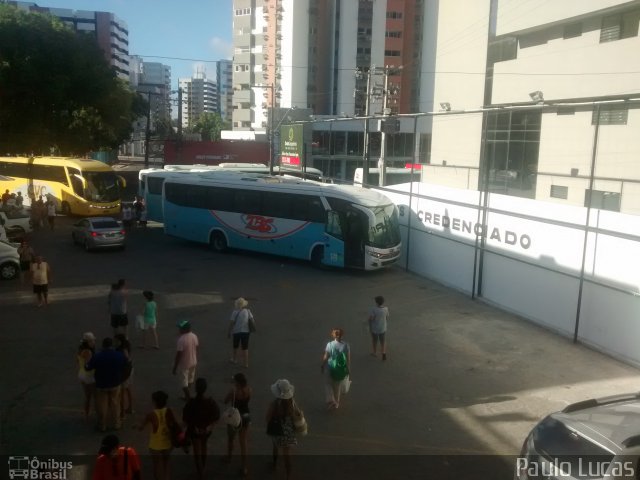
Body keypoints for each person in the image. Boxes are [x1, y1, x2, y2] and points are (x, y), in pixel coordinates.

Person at [86, 337, 127, 432]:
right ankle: (117, 423)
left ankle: (102, 425)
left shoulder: (97, 356)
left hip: (101, 384)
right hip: (115, 383)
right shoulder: (119, 355)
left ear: (103, 345)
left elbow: (88, 367)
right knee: (115, 404)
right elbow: (125, 364)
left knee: (102, 406)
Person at [183, 378, 220, 480]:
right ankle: (203, 468)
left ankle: (200, 473)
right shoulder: (211, 402)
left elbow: (185, 419)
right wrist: (209, 427)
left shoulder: (191, 403)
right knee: (204, 447)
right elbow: (216, 417)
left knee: (197, 451)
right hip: (206, 430)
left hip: (195, 430)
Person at [266, 379, 302, 480]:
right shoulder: (292, 402)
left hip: (277, 430)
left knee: (275, 447)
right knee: (287, 454)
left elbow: (267, 418)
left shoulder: (274, 404)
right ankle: (288, 475)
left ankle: (274, 464)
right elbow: (298, 413)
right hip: (289, 431)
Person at [139, 390, 177, 480]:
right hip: (167, 443)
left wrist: (136, 425)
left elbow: (141, 427)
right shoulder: (169, 411)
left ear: (154, 402)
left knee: (157, 466)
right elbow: (175, 425)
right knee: (166, 464)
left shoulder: (151, 414)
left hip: (155, 445)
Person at [223, 373, 251, 477]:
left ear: (238, 382)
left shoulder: (234, 391)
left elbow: (226, 401)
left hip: (235, 417)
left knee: (231, 438)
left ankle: (229, 457)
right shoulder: (249, 390)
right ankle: (244, 467)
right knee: (243, 442)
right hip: (246, 415)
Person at [320, 328, 351, 410]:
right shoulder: (346, 345)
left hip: (330, 367)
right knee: (337, 387)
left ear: (333, 335)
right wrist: (348, 368)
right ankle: (336, 403)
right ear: (342, 335)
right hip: (340, 369)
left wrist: (323, 365)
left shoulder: (329, 344)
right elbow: (348, 358)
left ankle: (331, 399)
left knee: (328, 384)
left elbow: (326, 356)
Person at [172, 320, 199, 400]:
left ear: (184, 329)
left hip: (185, 364)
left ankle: (188, 397)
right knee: (190, 379)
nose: (179, 330)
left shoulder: (181, 340)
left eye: (180, 328)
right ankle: (187, 395)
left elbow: (179, 355)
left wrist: (175, 367)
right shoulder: (194, 336)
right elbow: (196, 348)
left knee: (184, 384)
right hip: (193, 361)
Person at [227, 297, 255, 368]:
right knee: (245, 348)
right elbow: (252, 321)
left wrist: (229, 332)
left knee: (235, 346)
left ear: (237, 304)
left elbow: (231, 323)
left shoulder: (234, 312)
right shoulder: (248, 311)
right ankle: (246, 364)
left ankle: (234, 359)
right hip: (246, 332)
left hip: (236, 332)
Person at [77, 332, 97, 422]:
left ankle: (86, 414)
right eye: (92, 341)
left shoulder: (80, 350)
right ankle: (97, 414)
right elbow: (89, 365)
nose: (94, 342)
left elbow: (78, 362)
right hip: (89, 376)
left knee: (87, 396)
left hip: (81, 374)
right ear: (88, 342)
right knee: (95, 395)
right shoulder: (88, 352)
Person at [114, 334, 134, 420]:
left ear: (119, 341)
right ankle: (130, 408)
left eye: (115, 340)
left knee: (122, 393)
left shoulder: (122, 349)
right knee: (128, 389)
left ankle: (122, 413)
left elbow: (126, 358)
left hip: (125, 371)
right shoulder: (126, 346)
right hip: (129, 369)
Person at [368, 295, 389, 360]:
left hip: (375, 329)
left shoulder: (374, 309)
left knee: (375, 341)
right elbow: (387, 317)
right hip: (383, 328)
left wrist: (369, 321)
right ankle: (383, 352)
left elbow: (371, 318)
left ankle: (374, 352)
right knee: (383, 341)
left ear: (376, 302)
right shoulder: (386, 309)